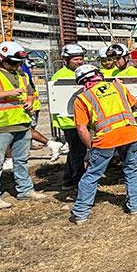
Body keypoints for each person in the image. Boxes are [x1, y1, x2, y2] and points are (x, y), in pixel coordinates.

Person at [0, 41, 49, 209]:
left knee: (21, 160)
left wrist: (29, 101)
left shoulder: (22, 74)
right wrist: (7, 93)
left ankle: (25, 190)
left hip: (21, 123)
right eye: (12, 62)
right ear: (1, 57)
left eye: (18, 62)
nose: (15, 65)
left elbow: (30, 93)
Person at [69, 65, 137, 224]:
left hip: (106, 139)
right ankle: (135, 205)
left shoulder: (82, 98)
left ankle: (80, 213)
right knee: (131, 169)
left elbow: (82, 129)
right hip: (130, 132)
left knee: (92, 174)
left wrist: (90, 147)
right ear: (98, 75)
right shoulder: (118, 86)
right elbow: (135, 106)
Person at [49, 44, 87, 191]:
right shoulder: (60, 76)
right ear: (66, 60)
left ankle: (67, 180)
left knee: (75, 151)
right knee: (78, 152)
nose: (79, 62)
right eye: (76, 59)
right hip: (70, 121)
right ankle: (79, 181)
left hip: (77, 119)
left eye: (81, 59)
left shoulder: (78, 73)